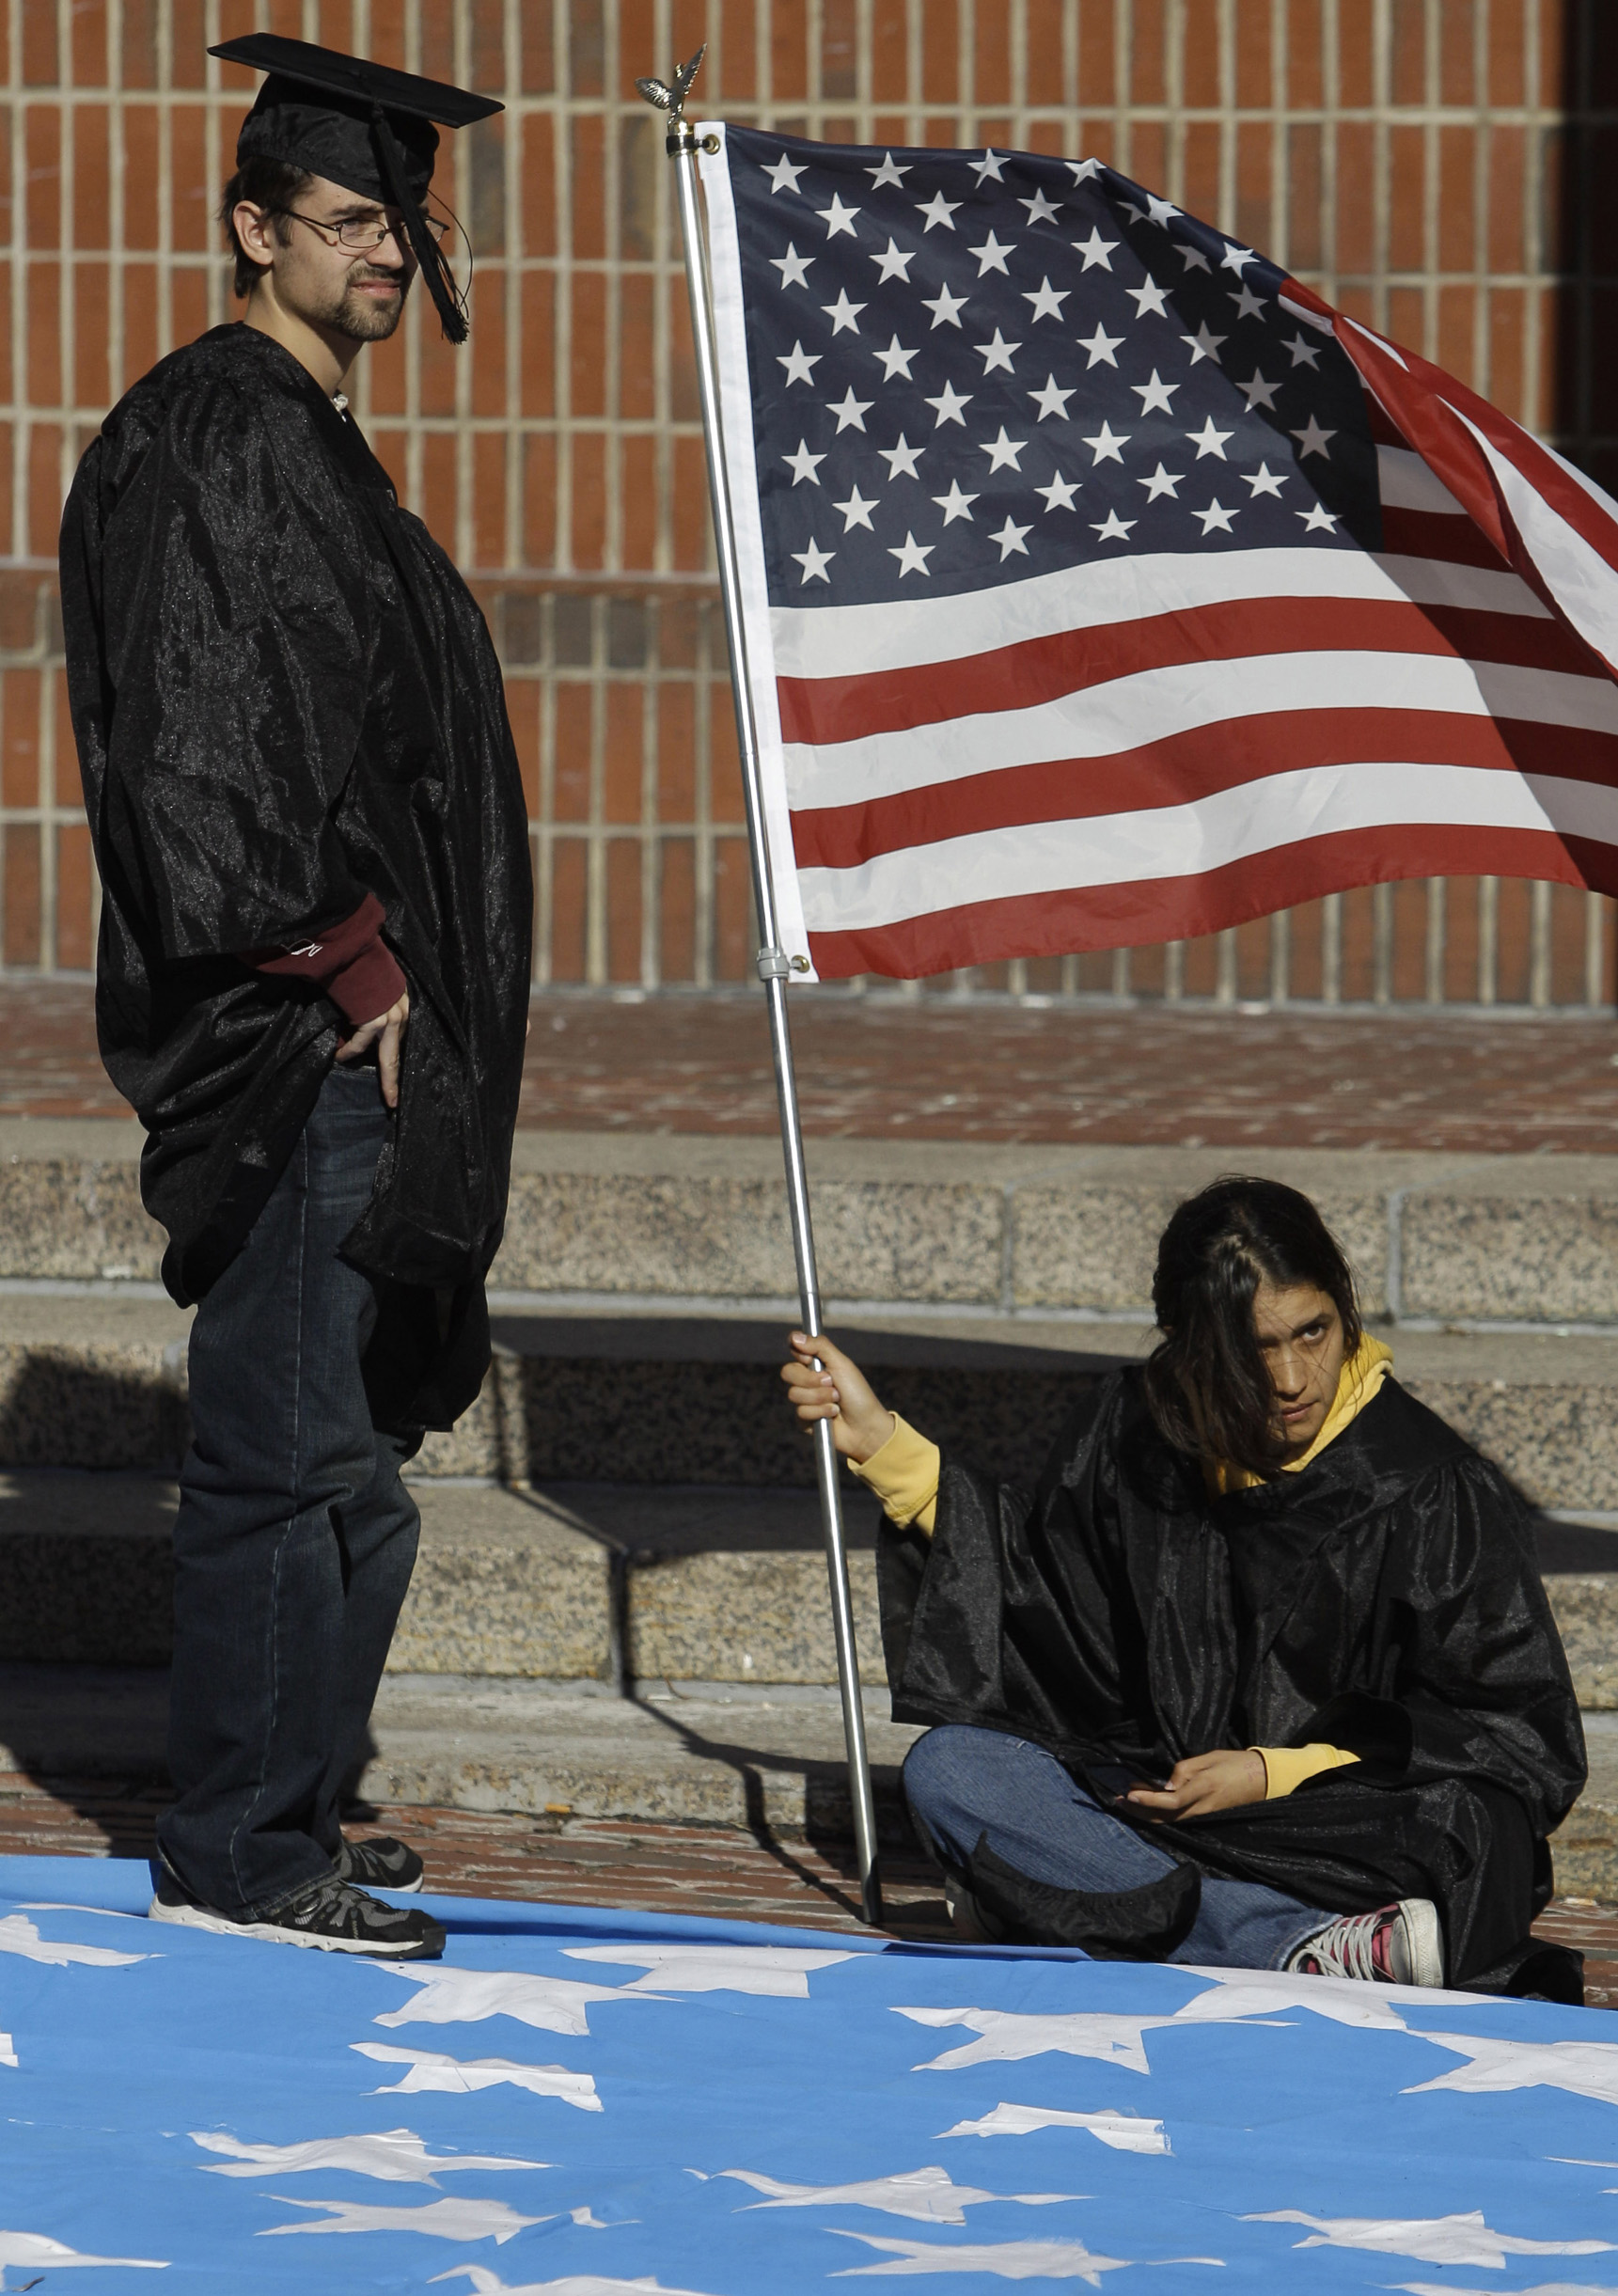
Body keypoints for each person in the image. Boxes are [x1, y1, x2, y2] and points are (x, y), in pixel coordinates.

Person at [58, 37, 532, 1958]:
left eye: (403, 223)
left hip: (368, 1040)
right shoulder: (221, 435)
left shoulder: (303, 437)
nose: (387, 251)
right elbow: (202, 768)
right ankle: (243, 1852)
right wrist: (352, 963)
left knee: (354, 1465)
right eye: (347, 218)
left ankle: (297, 1799)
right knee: (278, 1453)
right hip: (296, 1043)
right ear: (254, 227)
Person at [781, 1176, 1586, 2000]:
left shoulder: (1430, 1489)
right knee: (954, 1768)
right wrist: (881, 1444)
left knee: (1467, 1820)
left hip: (1335, 1831)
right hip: (1159, 1804)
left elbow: (1514, 1737)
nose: (1291, 1379)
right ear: (1187, 1342)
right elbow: (1048, 1604)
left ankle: (1075, 1901)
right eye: (1251, 1348)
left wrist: (1271, 1772)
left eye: (1312, 1332)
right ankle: (1300, 1947)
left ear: (1344, 1308)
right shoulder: (1136, 1430)